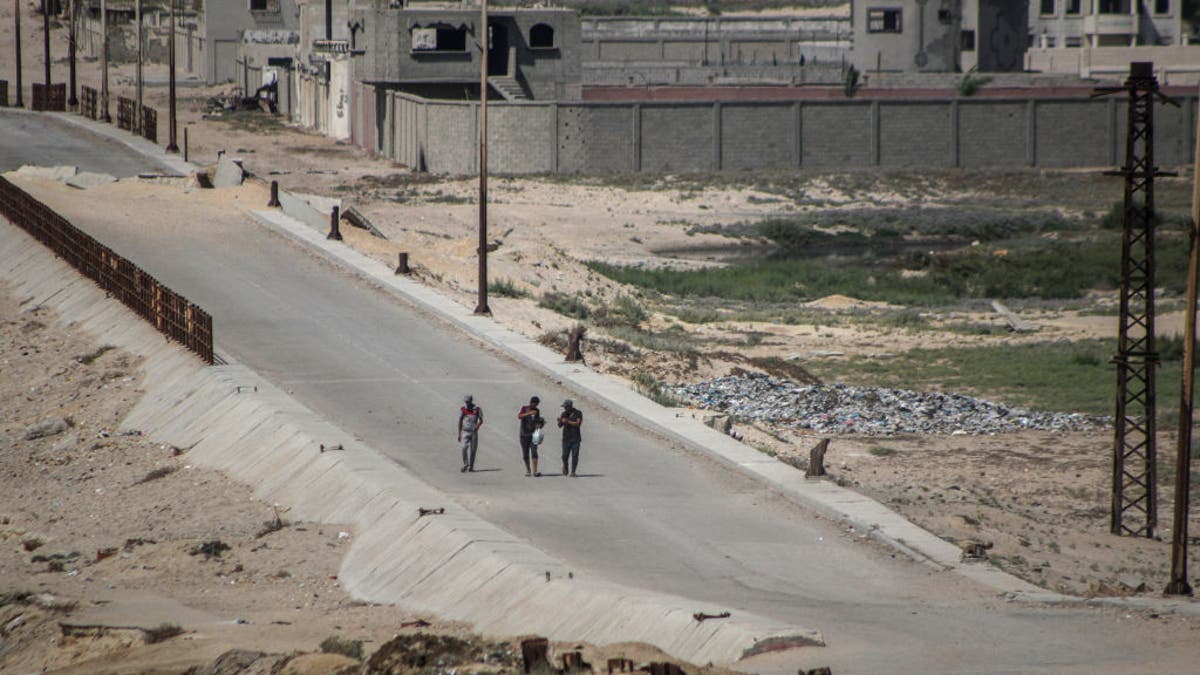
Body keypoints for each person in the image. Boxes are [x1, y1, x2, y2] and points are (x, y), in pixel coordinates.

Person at [517, 396, 544, 477]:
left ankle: (535, 471)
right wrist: (529, 413)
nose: (536, 406)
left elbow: (537, 422)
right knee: (525, 454)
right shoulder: (524, 408)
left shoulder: (537, 411)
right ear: (531, 402)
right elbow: (519, 416)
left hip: (533, 434)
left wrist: (540, 424)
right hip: (524, 434)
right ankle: (528, 470)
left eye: (537, 404)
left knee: (534, 452)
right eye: (535, 404)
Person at [557, 399, 583, 477]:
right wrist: (560, 421)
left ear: (570, 406)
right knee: (564, 456)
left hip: (576, 438)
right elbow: (559, 426)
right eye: (564, 407)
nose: (564, 408)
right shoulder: (564, 414)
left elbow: (578, 423)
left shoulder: (578, 413)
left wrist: (567, 421)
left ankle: (573, 472)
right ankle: (565, 466)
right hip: (566, 438)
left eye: (566, 407)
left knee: (575, 455)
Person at [458, 394, 483, 472]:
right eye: (466, 402)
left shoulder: (477, 409)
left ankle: (471, 467)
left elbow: (481, 420)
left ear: (471, 401)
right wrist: (459, 433)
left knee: (473, 450)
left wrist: (478, 426)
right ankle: (465, 463)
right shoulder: (463, 409)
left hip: (474, 432)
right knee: (463, 448)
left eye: (468, 402)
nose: (467, 403)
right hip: (465, 431)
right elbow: (460, 420)